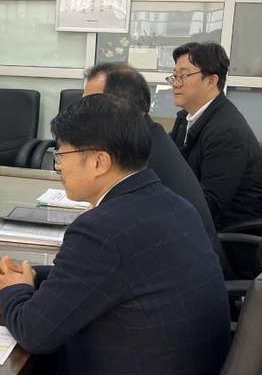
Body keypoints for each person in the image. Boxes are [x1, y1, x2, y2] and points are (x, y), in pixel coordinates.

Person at [0, 95, 230, 375]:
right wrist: (30, 277)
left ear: (99, 162)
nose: (58, 165)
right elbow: (114, 277)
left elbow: (33, 332)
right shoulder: (173, 203)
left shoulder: (102, 230)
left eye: (62, 154)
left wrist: (12, 290)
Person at [83, 62, 231, 278]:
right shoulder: (149, 136)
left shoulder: (138, 156)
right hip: (170, 263)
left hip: (182, 277)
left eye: (90, 105)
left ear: (119, 108)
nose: (82, 114)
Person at [168, 42, 262, 229]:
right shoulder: (187, 119)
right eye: (174, 75)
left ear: (211, 81)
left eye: (183, 75)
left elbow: (209, 204)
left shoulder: (226, 132)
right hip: (195, 219)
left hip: (225, 232)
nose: (176, 83)